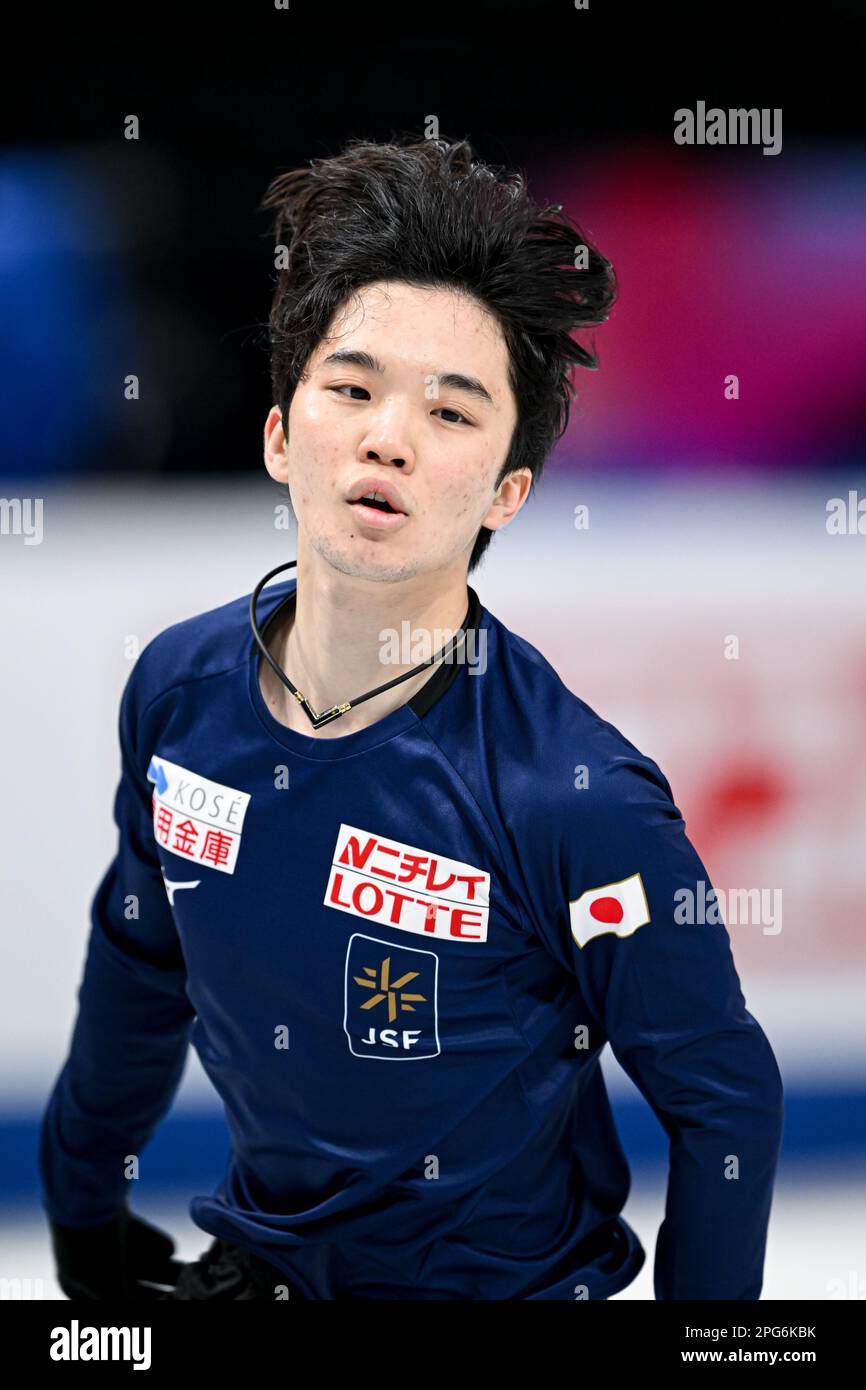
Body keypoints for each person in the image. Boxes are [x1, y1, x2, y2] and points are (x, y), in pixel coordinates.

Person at [40, 134, 784, 1301]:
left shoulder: (568, 794)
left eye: (449, 411)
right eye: (351, 388)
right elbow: (142, 966)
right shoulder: (179, 691)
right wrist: (82, 1220)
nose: (387, 434)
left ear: (505, 492)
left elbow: (722, 1094)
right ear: (282, 433)